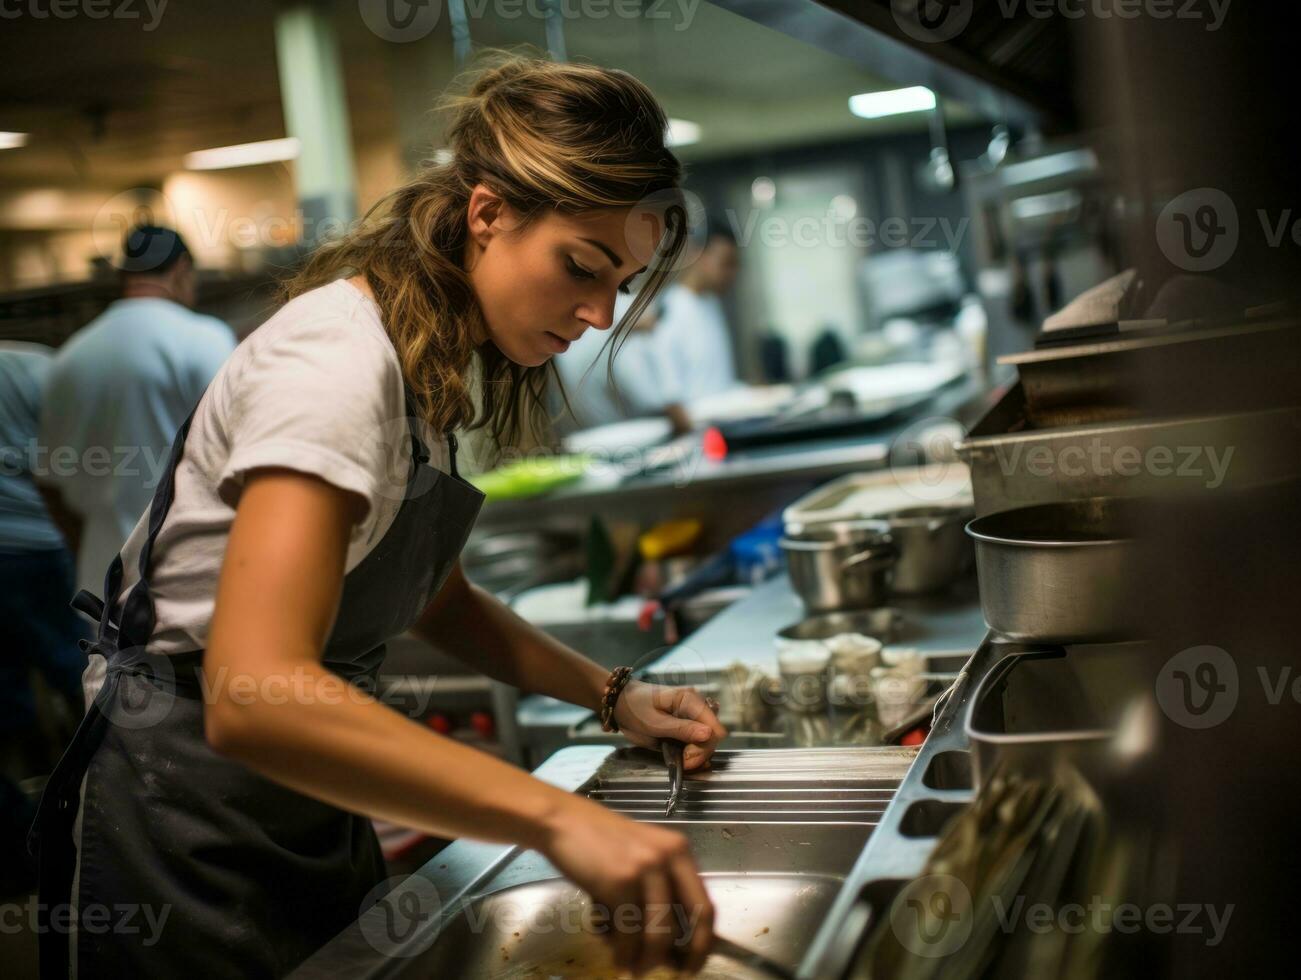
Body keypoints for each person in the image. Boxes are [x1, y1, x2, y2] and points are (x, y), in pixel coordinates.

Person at [29, 57, 726, 980]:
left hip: (304, 800)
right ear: (487, 215)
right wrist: (560, 817)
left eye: (620, 284)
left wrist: (611, 696)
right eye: (580, 268)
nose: (598, 315)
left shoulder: (421, 367)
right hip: (181, 822)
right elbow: (252, 694)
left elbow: (439, 600)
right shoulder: (338, 365)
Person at [37, 225, 235, 607]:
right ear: (181, 270)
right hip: (195, 581)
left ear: (124, 275)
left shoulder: (69, 357)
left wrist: (98, 546)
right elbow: (241, 449)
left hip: (104, 588)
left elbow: (49, 483)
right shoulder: (203, 338)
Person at [0, 342, 87, 896]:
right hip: (39, 548)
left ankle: (25, 851)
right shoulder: (41, 366)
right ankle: (100, 819)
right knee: (82, 679)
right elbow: (73, 463)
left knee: (7, 699)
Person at [553, 290, 692, 434]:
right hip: (614, 437)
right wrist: (672, 399)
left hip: (578, 434)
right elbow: (647, 397)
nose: (654, 328)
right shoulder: (621, 344)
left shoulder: (579, 335)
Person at [652, 215, 741, 401]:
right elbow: (667, 385)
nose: (732, 274)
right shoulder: (672, 306)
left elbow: (717, 381)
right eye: (726, 264)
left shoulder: (711, 302)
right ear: (698, 254)